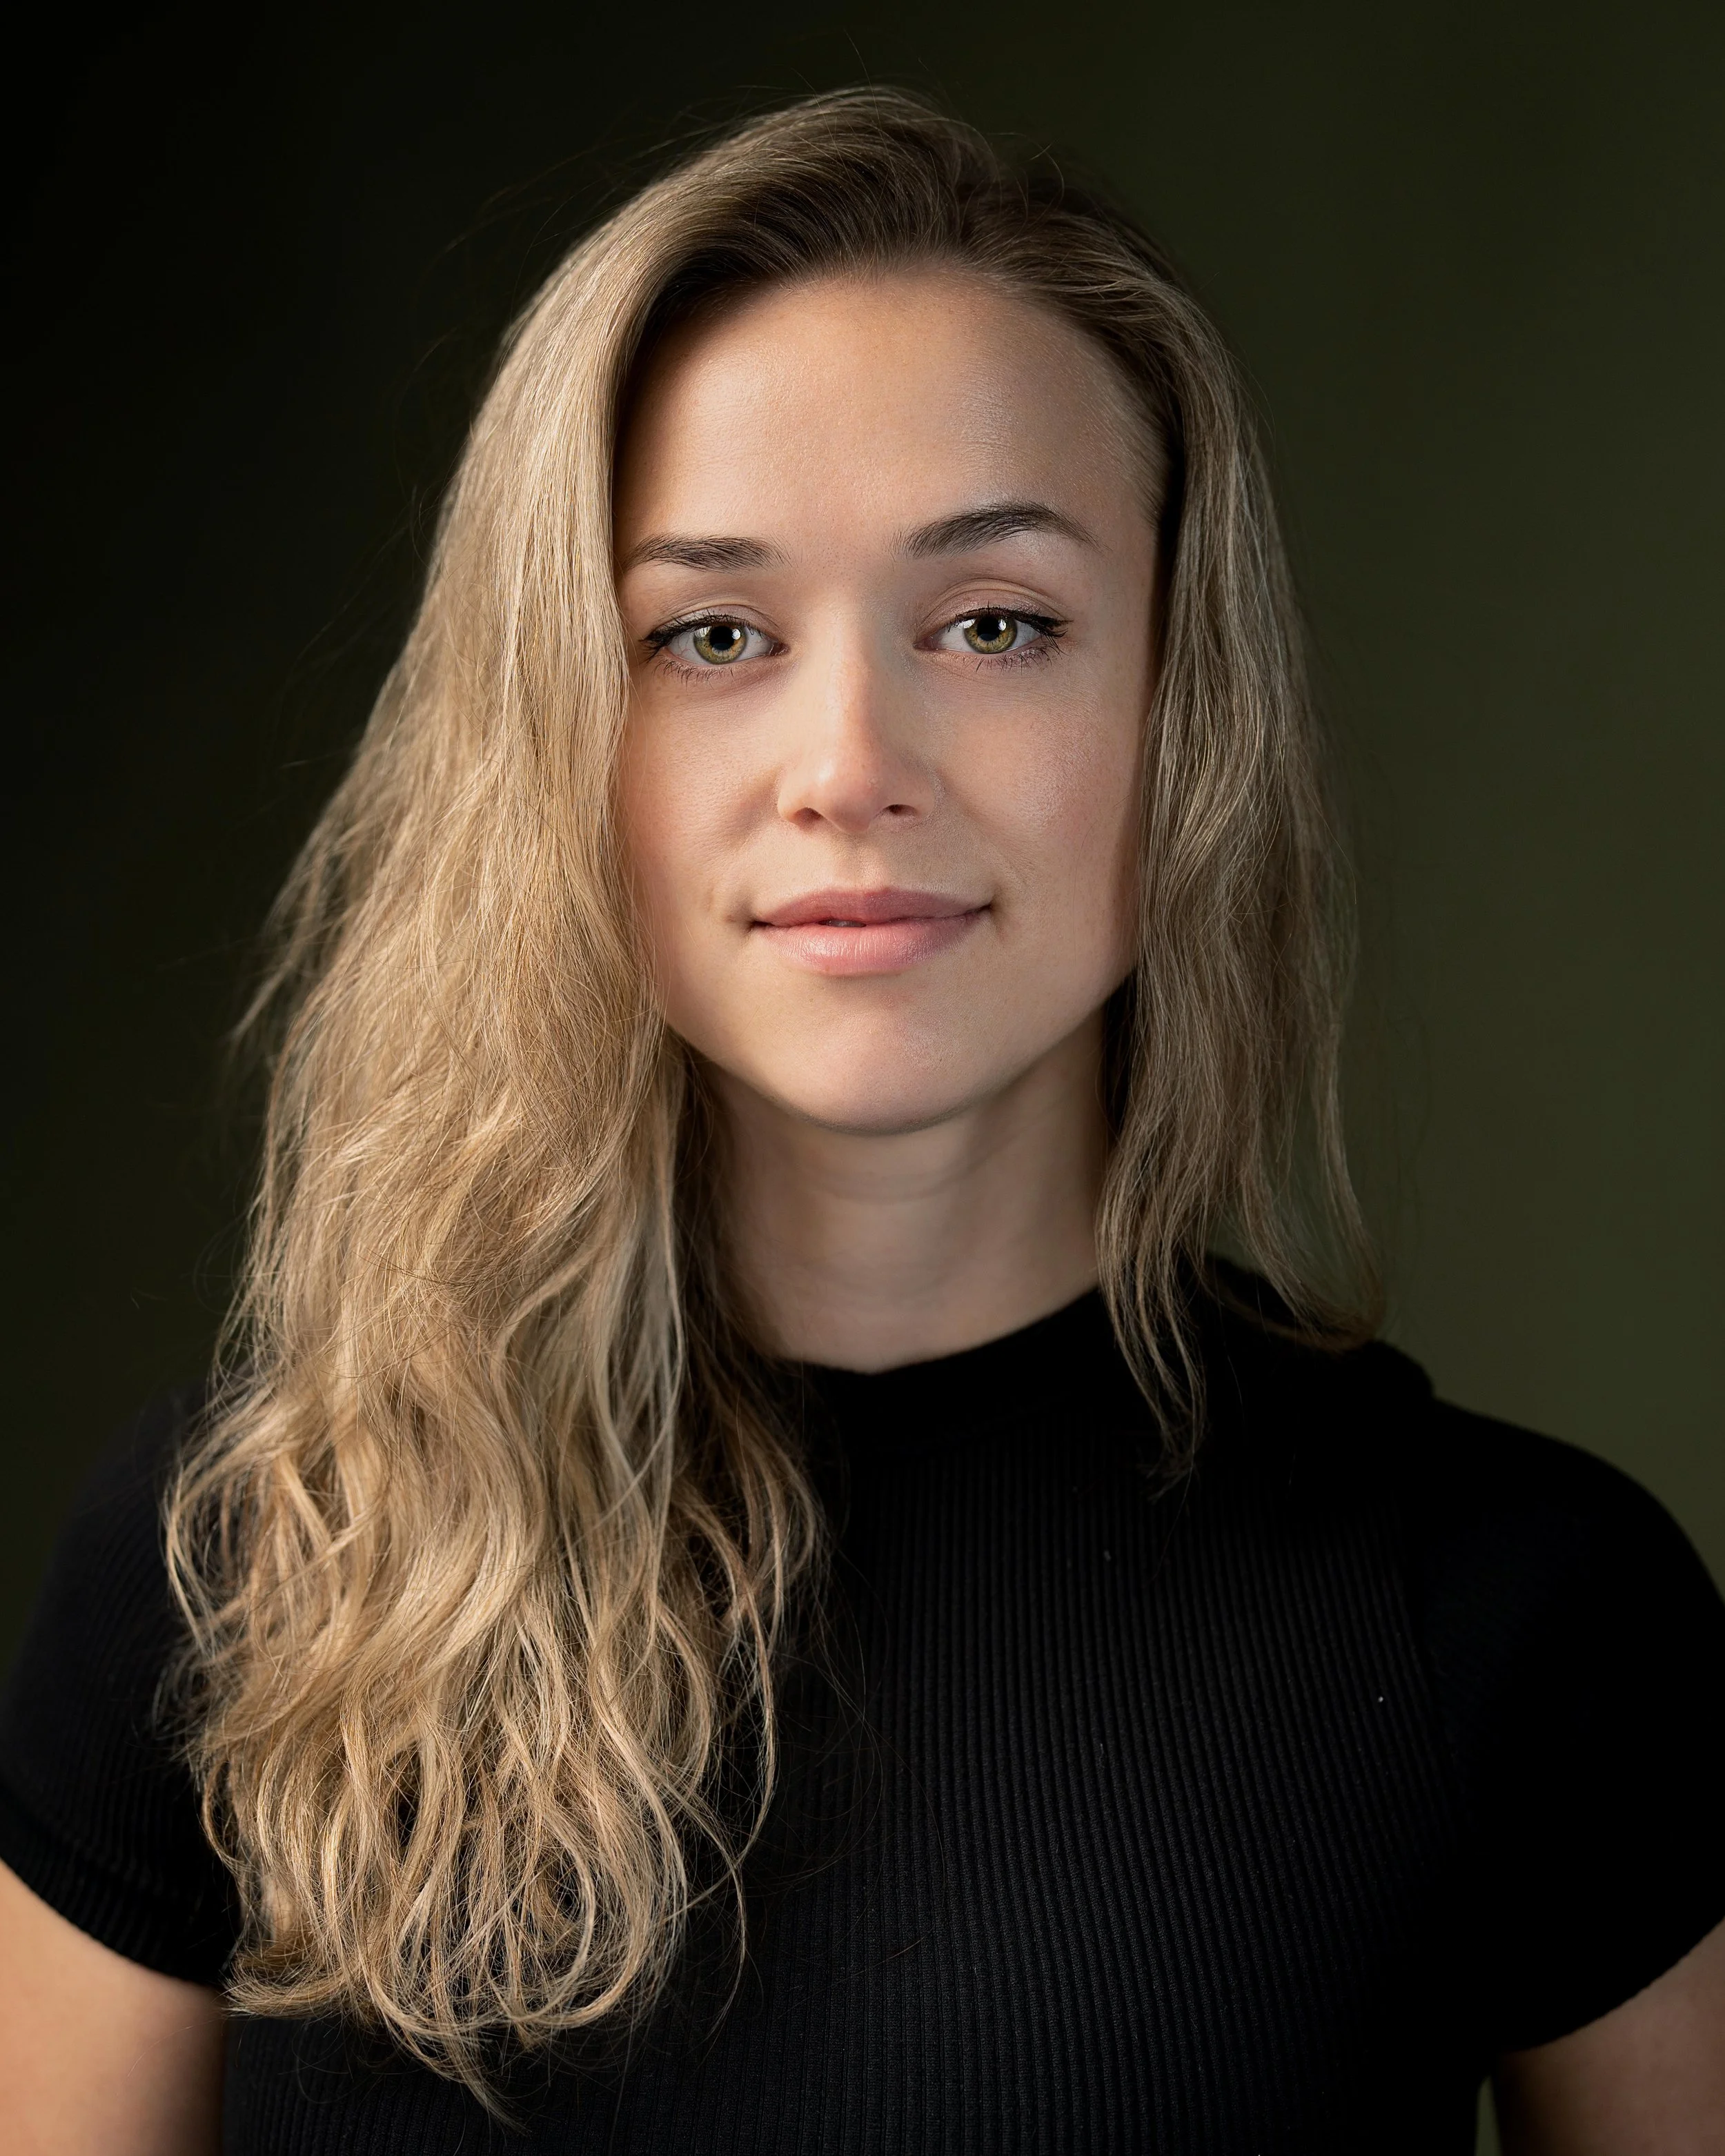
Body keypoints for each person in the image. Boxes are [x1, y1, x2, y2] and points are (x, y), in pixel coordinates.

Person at [1, 87, 1722, 2156]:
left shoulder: (1526, 1618)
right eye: (710, 634)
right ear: (560, 732)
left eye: (992, 623)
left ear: (1186, 707)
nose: (848, 762)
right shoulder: (237, 1573)